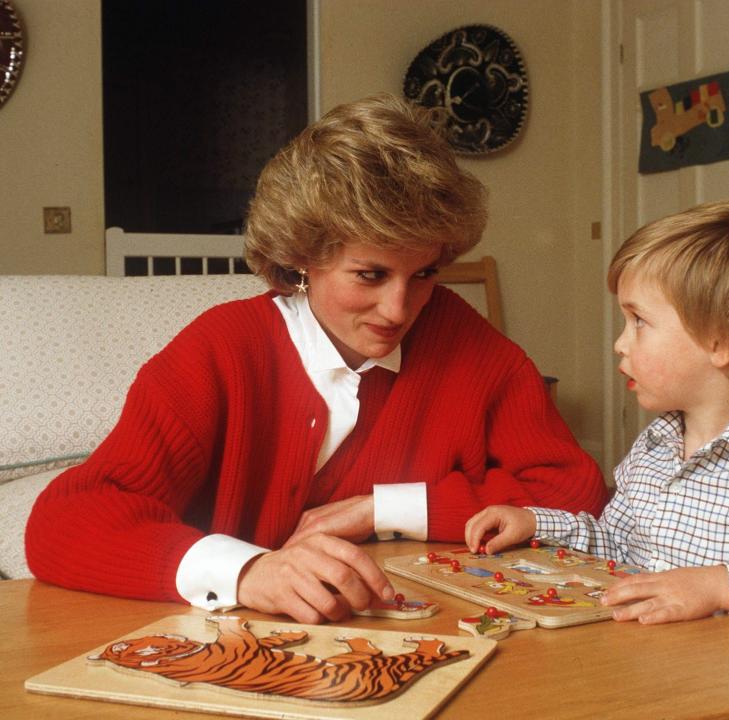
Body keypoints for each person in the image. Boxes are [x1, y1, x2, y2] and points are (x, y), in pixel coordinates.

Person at [26, 94, 607, 624]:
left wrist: (381, 508)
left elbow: (575, 493)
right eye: (370, 275)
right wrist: (249, 571)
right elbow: (65, 522)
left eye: (424, 273)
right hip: (220, 644)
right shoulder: (221, 350)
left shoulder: (460, 337)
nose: (399, 307)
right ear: (303, 257)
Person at [465, 199, 729, 638]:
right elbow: (617, 546)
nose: (621, 344)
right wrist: (537, 522)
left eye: (639, 321)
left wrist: (720, 587)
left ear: (720, 342)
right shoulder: (653, 447)